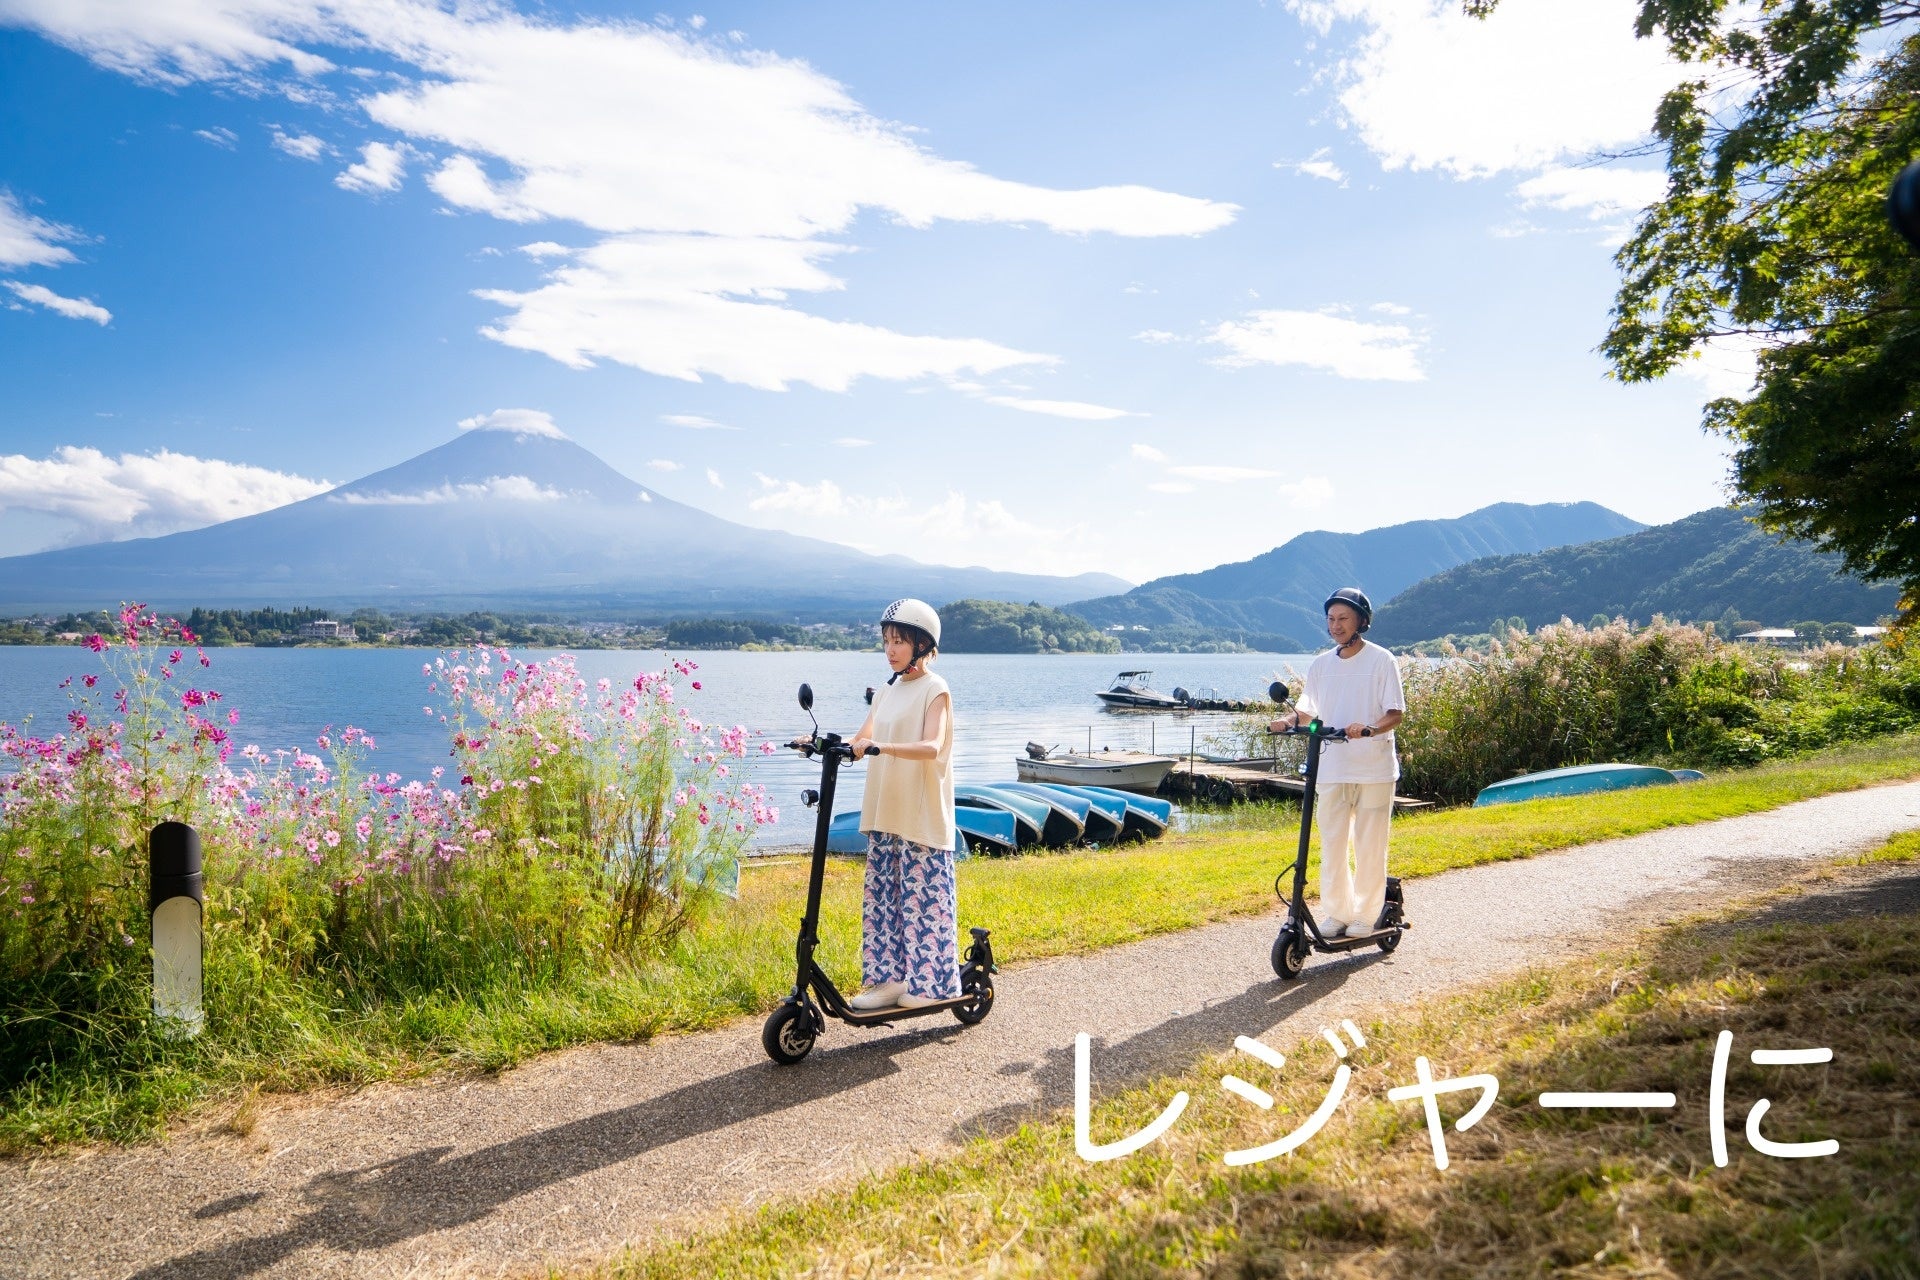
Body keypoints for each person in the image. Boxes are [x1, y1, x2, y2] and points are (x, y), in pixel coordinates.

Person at [1268, 587, 1405, 936]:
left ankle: (1366, 914)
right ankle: (1338, 913)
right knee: (1331, 842)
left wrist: (1370, 729)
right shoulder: (1320, 665)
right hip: (1332, 768)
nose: (1336, 625)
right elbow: (1306, 709)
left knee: (1369, 844)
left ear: (1361, 621)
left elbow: (1396, 712)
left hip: (1373, 769)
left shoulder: (1381, 660)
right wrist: (1287, 721)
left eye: (1343, 618)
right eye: (1331, 618)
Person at [846, 598, 958, 1010]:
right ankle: (887, 981)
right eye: (887, 641)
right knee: (884, 901)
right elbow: (862, 739)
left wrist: (882, 747)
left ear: (922, 645)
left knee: (923, 901)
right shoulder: (887, 690)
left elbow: (931, 746)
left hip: (919, 814)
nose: (890, 649)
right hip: (885, 811)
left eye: (900, 641)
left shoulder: (935, 689)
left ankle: (931, 984)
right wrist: (821, 743)